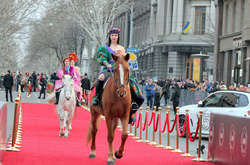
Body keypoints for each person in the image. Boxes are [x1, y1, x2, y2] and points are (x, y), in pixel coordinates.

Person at [92, 27, 144, 123]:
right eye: (112, 35)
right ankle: (97, 99)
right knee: (101, 78)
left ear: (118, 36)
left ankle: (133, 104)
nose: (114, 37)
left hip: (120, 69)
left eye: (116, 35)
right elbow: (100, 58)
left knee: (131, 81)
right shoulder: (105, 48)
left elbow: (125, 60)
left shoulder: (121, 48)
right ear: (110, 36)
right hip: (109, 69)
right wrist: (106, 63)